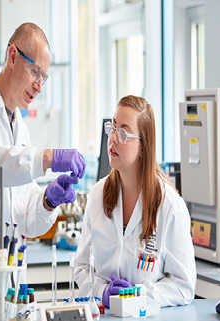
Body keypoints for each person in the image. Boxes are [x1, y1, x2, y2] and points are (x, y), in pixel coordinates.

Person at [0, 22, 85, 310]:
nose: (38, 86)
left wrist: (47, 200)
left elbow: (24, 217)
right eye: (35, 72)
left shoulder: (19, 126)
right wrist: (47, 158)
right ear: (12, 56)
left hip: (9, 289)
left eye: (44, 78)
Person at [74, 95, 196, 308]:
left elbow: (183, 285)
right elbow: (82, 268)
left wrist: (136, 295)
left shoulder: (169, 206)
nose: (113, 138)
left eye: (123, 132)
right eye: (112, 128)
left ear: (143, 147)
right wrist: (102, 293)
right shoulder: (97, 196)